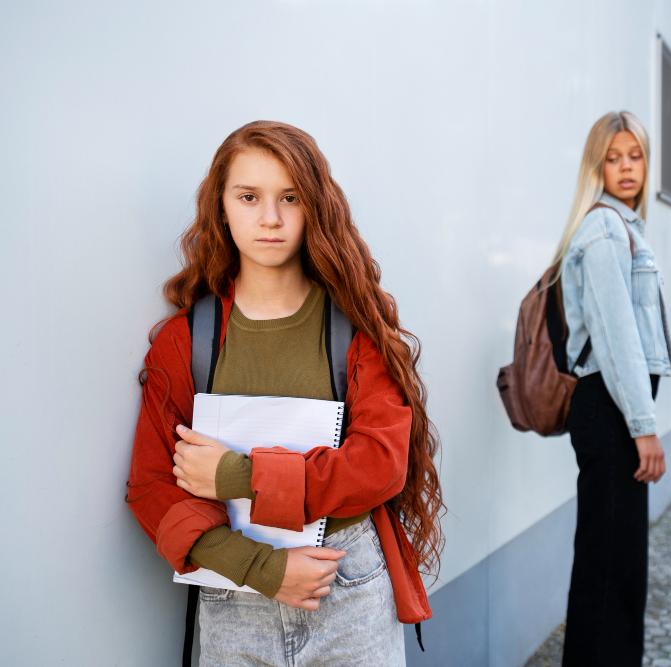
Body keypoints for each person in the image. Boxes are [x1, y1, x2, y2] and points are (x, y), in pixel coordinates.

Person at [125, 120, 443, 665]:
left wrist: (236, 475)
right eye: (249, 197)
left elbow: (380, 465)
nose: (270, 218)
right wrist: (263, 569)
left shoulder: (354, 331)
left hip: (348, 589)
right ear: (221, 207)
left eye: (290, 197)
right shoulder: (187, 340)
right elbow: (152, 487)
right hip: (231, 593)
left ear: (314, 206)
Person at [554, 111, 671, 665]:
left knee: (618, 563)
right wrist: (644, 428)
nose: (627, 167)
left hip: (615, 409)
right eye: (613, 157)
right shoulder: (604, 229)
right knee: (610, 568)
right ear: (596, 165)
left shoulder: (624, 225)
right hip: (611, 412)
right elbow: (616, 336)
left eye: (636, 155)